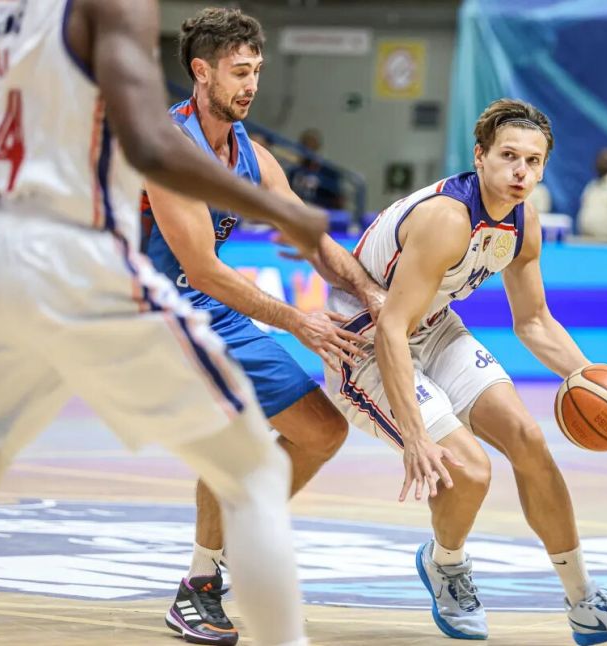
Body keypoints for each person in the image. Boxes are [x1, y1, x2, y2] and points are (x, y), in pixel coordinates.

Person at [0, 2, 327, 645]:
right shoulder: (112, 5)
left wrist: (17, 216)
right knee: (253, 471)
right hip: (77, 252)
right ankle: (234, 609)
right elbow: (151, 145)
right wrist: (281, 212)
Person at [325, 99, 607, 644]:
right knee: (469, 469)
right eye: (509, 156)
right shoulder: (446, 219)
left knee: (528, 439)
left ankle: (585, 602)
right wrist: (415, 435)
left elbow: (533, 321)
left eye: (533, 161)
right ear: (479, 157)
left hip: (434, 327)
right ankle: (446, 564)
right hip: (364, 344)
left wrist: (594, 381)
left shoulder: (523, 222)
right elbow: (390, 328)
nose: (520, 172)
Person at [141, 9, 383, 644]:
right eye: (239, 72)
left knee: (322, 432)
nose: (251, 85)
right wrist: (299, 321)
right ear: (202, 72)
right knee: (236, 441)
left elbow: (309, 235)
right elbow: (202, 267)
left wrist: (371, 292)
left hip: (211, 311)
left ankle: (238, 542)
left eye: (256, 71)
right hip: (149, 313)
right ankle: (199, 585)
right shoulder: (169, 150)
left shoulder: (253, 154)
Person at [288, 128, 344, 210]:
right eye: (305, 145)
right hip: (295, 209)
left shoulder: (329, 173)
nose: (308, 149)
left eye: (312, 146)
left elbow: (337, 201)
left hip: (317, 211)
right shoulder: (294, 172)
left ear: (317, 147)